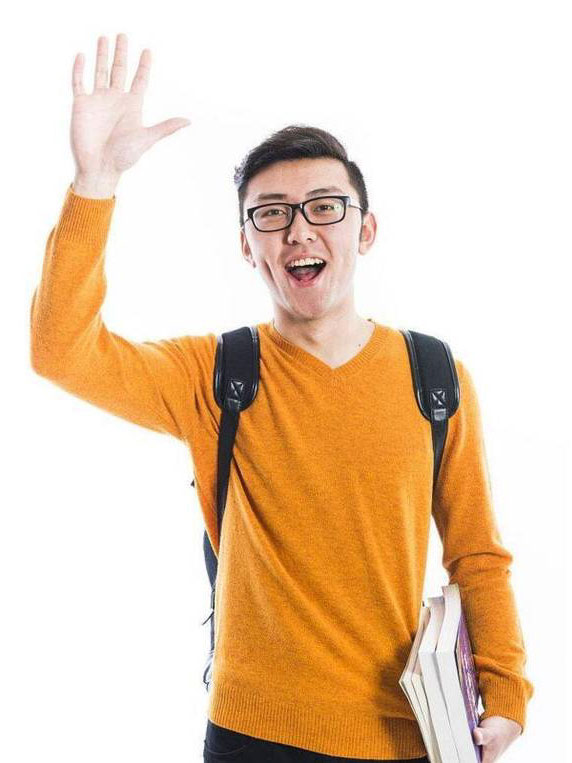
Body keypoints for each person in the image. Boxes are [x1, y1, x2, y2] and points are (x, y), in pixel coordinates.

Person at [30, 33, 533, 763]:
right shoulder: (216, 374)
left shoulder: (435, 376)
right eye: (271, 213)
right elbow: (59, 350)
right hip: (251, 735)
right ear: (248, 245)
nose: (299, 229)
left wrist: (507, 691)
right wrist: (95, 182)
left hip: (406, 736)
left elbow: (477, 554)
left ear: (365, 230)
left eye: (324, 207)